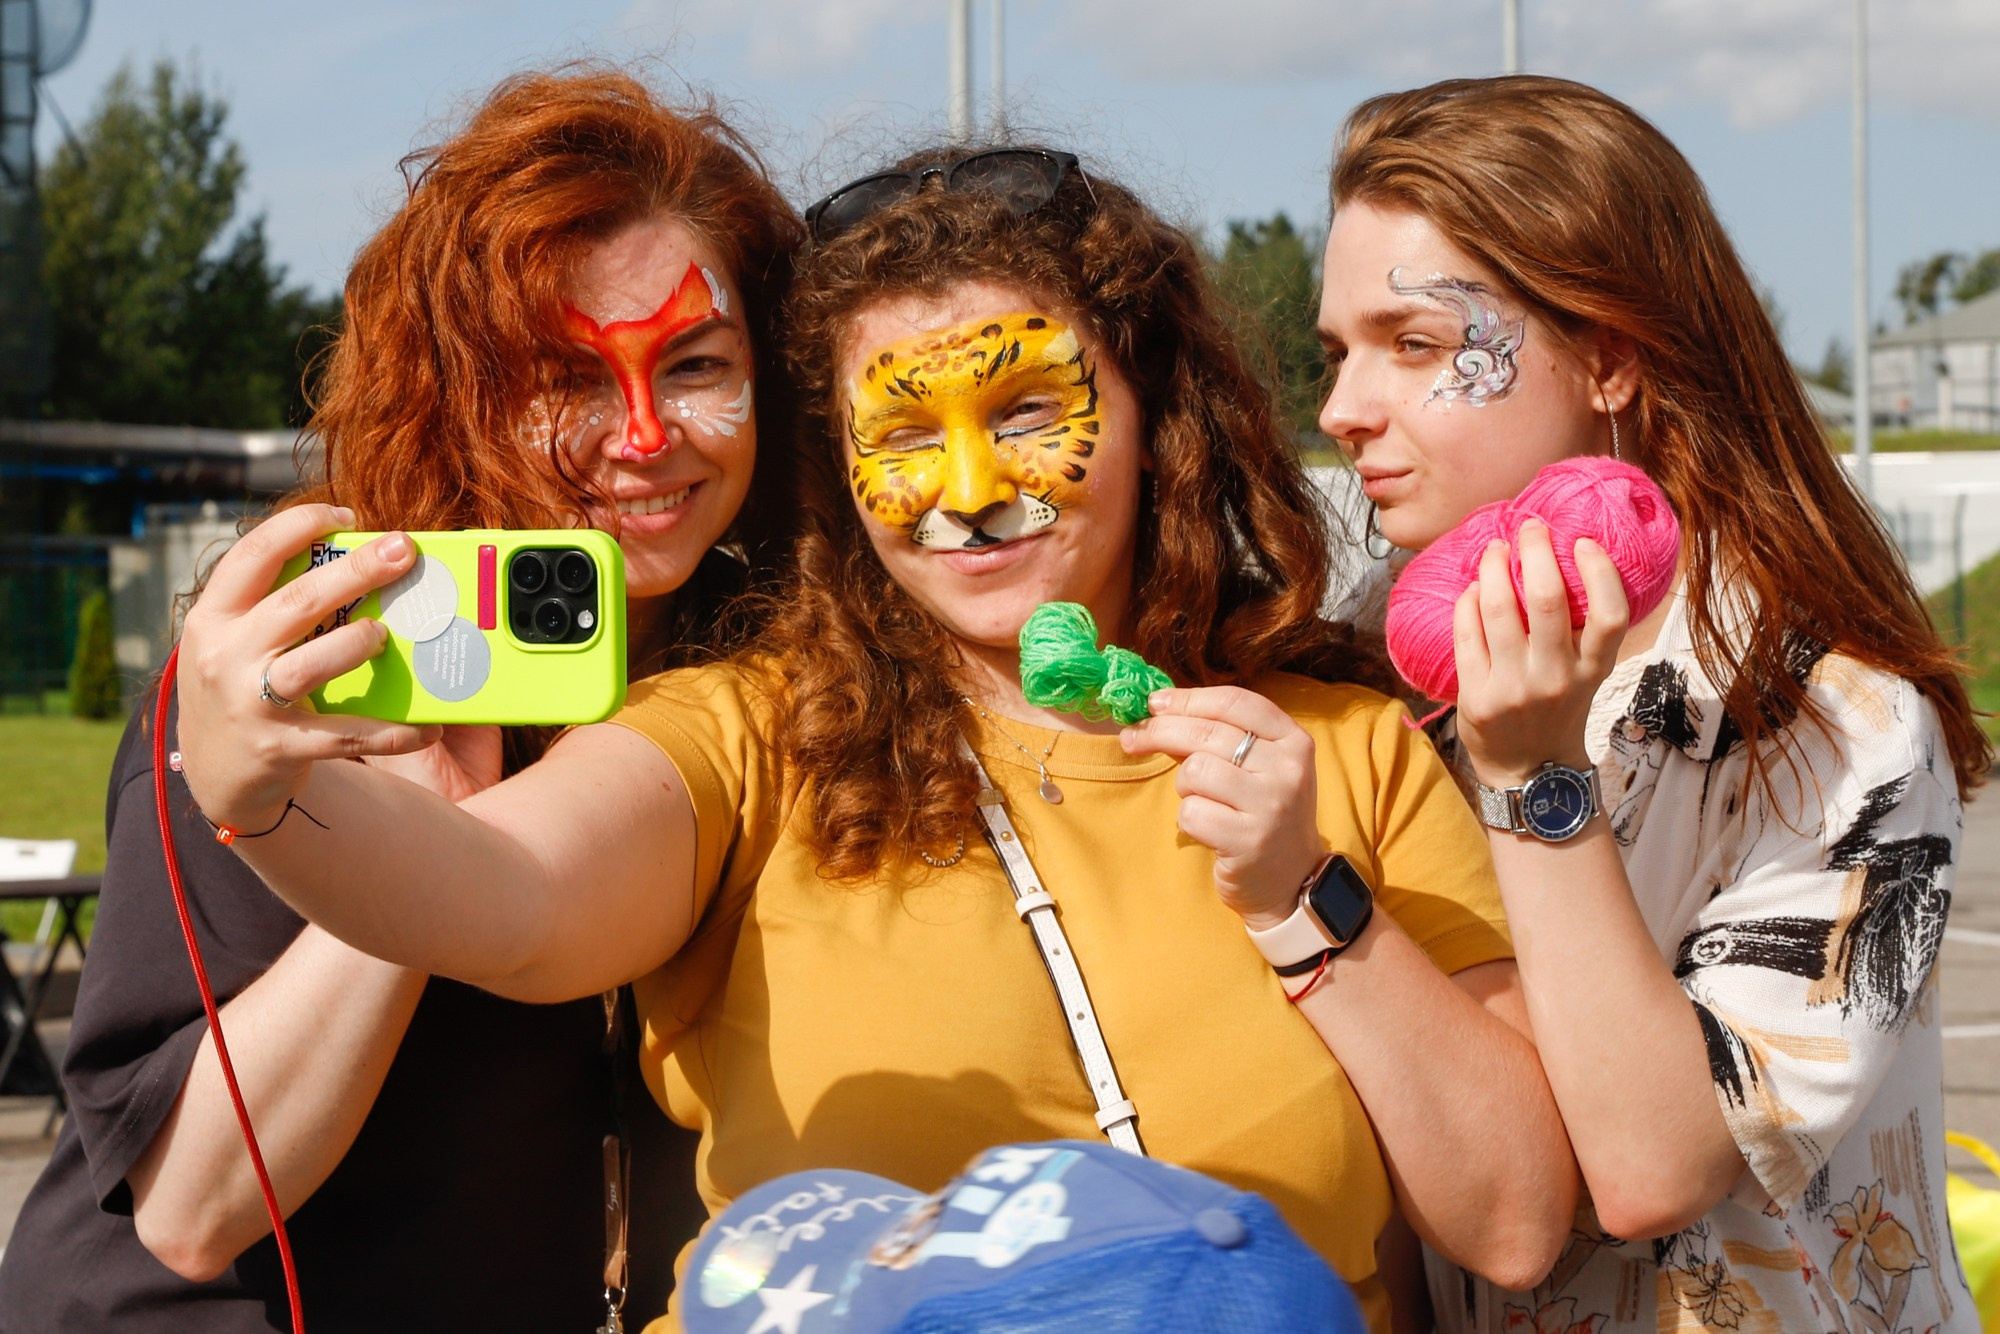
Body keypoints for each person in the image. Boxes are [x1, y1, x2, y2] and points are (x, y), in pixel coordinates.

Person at [165, 143, 1576, 1334]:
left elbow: (1514, 1219)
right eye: (901, 434)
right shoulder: (749, 731)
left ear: (1161, 414)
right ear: (840, 465)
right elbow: (507, 900)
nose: (963, 492)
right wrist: (266, 791)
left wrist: (1306, 905)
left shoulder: (1341, 748)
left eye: (1027, 411)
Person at [0, 66, 801, 1331]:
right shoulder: (310, 671)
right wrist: (422, 872)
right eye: (568, 378)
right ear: (459, 386)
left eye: (695, 362)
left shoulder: (772, 667)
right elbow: (192, 1202)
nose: (643, 435)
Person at [1315, 74, 1991, 1333]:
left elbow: (1647, 1168)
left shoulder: (1828, 724)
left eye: (1411, 345)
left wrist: (1527, 781)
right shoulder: (1357, 671)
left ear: (1611, 356)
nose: (1341, 408)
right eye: (1336, 351)